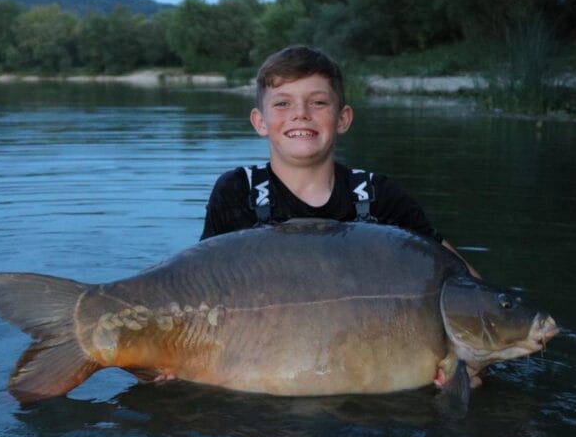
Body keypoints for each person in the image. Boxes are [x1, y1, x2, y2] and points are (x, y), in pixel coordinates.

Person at [200, 44, 477, 275]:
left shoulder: (379, 197)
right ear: (260, 122)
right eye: (282, 103)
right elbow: (200, 282)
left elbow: (463, 279)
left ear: (342, 119)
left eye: (318, 102)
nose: (301, 113)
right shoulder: (236, 191)